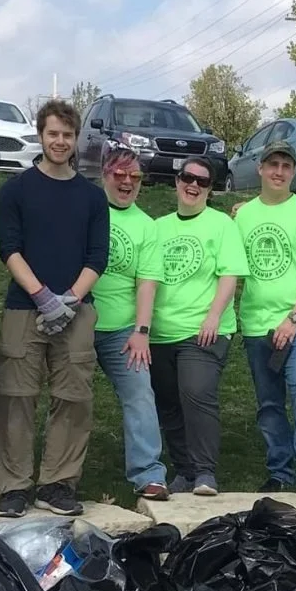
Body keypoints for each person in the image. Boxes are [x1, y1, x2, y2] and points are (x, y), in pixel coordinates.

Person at [0, 100, 109, 518]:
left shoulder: (92, 197)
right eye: (53, 133)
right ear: (41, 136)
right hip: (26, 308)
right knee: (15, 397)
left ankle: (57, 483)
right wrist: (42, 296)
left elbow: (98, 257)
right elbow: (10, 248)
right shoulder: (16, 190)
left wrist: (70, 299)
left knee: (73, 398)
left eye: (68, 135)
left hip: (77, 310)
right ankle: (14, 486)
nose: (60, 141)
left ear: (76, 140)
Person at [235, 139, 296, 503]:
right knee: (269, 401)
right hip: (255, 320)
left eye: (286, 166)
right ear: (260, 169)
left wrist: (294, 317)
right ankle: (279, 470)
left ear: (294, 172)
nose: (279, 172)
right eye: (272, 164)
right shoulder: (244, 215)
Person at [149, 157, 247, 494]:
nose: (193, 185)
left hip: (204, 329)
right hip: (160, 330)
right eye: (187, 178)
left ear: (210, 189)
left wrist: (214, 316)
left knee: (195, 393)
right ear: (177, 181)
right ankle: (184, 470)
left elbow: (229, 275)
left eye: (202, 182)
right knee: (168, 401)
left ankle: (205, 472)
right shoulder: (157, 226)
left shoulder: (221, 225)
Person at [92, 147, 169, 501]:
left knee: (139, 391)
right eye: (119, 174)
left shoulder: (146, 226)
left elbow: (147, 283)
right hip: (77, 318)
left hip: (123, 327)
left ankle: (148, 473)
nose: (126, 182)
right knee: (70, 397)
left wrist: (141, 331)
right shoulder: (86, 207)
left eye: (134, 176)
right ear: (104, 174)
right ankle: (59, 478)